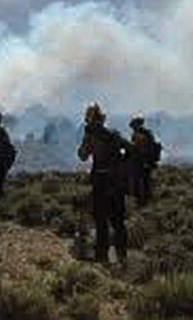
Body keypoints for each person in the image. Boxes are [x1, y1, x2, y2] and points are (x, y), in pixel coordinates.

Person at [77, 103, 131, 265]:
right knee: (118, 221)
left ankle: (102, 256)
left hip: (101, 180)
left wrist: (87, 140)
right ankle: (122, 256)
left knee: (101, 219)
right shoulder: (113, 134)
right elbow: (130, 149)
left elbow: (82, 155)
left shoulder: (92, 135)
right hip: (116, 182)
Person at [127, 116, 161, 207]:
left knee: (142, 182)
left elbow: (142, 150)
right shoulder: (144, 134)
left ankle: (143, 201)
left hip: (143, 162)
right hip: (141, 162)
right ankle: (143, 201)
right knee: (142, 182)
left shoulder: (142, 135)